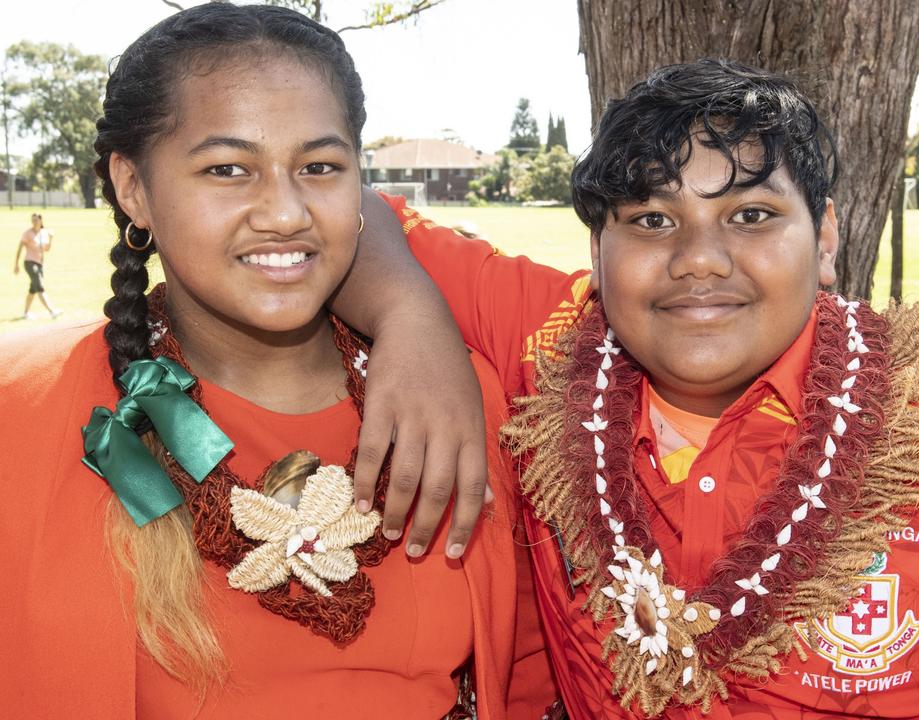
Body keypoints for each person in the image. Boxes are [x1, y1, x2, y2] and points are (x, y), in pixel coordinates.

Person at [352, 60, 919, 719]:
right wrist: (414, 322)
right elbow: (345, 203)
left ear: (828, 236)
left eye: (751, 215)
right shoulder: (554, 345)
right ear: (597, 247)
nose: (698, 260)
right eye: (651, 218)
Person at [0, 5, 552, 718]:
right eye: (228, 169)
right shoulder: (26, 414)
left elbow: (530, 669)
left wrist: (412, 311)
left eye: (319, 166)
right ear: (133, 187)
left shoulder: (458, 395)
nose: (286, 212)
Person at [13, 212, 62, 319]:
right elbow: (20, 249)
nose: (34, 222)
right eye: (33, 220)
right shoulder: (27, 233)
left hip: (39, 264)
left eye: (36, 220)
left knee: (33, 289)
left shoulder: (43, 233)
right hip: (30, 263)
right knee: (39, 287)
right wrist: (16, 264)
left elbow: (46, 249)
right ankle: (52, 311)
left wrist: (51, 238)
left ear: (41, 221)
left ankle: (25, 313)